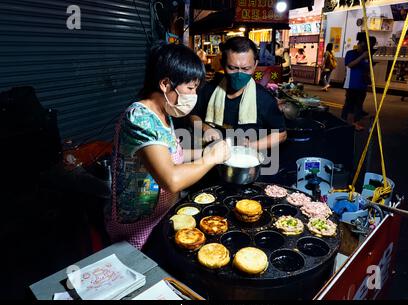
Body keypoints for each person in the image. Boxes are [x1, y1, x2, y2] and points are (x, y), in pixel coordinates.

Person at [106, 42, 230, 250]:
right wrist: (211, 158)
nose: (194, 95)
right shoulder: (139, 118)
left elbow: (172, 154)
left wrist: (206, 151)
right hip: (139, 224)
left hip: (163, 214)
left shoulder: (163, 113)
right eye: (190, 88)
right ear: (165, 84)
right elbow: (171, 179)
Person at [189, 36, 287, 150]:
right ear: (222, 63)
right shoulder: (208, 89)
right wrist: (205, 128)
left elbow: (281, 134)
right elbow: (193, 115)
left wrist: (251, 146)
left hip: (246, 162)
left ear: (255, 65)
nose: (239, 74)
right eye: (232, 68)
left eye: (246, 69)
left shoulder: (264, 98)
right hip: (209, 155)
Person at [341, 35, 377, 131]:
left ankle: (355, 123)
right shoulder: (351, 53)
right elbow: (350, 65)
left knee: (359, 105)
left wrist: (370, 61)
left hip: (362, 84)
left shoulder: (368, 55)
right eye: (364, 44)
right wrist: (362, 57)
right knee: (349, 104)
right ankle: (345, 122)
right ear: (359, 43)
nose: (365, 47)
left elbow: (369, 68)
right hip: (351, 83)